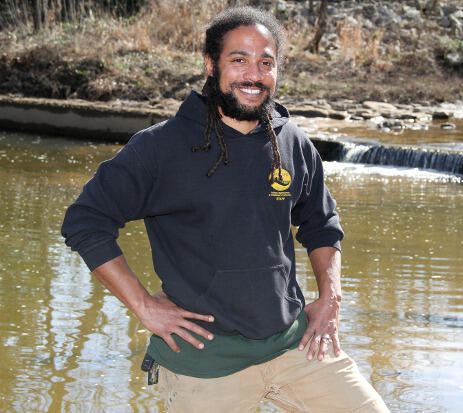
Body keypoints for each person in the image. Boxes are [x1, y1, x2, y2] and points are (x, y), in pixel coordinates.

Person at [61, 6, 389, 412]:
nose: (254, 74)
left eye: (266, 62)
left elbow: (321, 224)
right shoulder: (160, 147)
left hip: (296, 345)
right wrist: (144, 306)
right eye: (239, 60)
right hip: (204, 362)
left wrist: (331, 298)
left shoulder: (293, 143)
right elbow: (86, 221)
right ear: (210, 65)